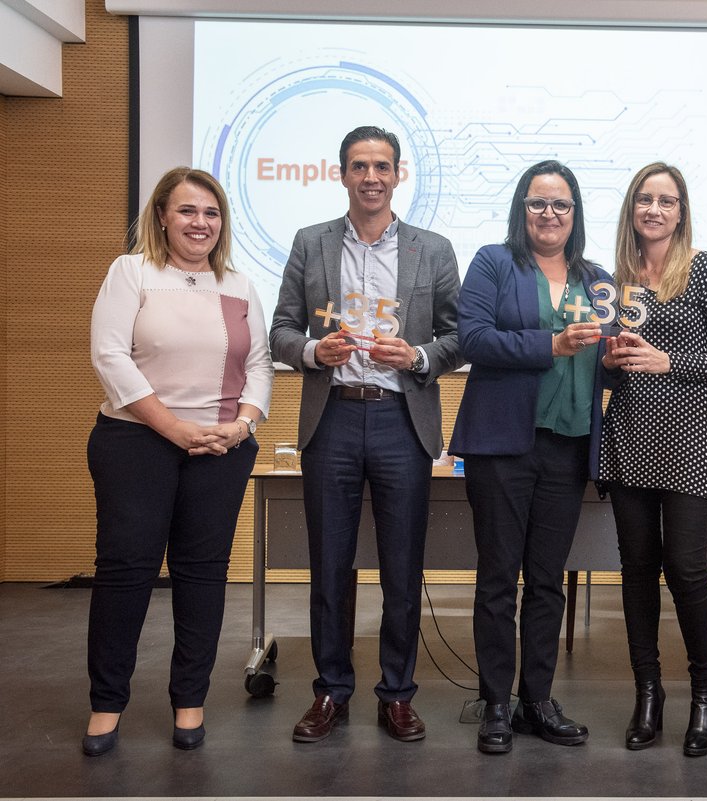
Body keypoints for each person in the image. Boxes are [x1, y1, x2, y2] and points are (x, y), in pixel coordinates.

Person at [270, 125, 462, 744]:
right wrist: (312, 352)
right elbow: (281, 329)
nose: (371, 177)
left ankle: (397, 694)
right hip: (332, 416)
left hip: (401, 419)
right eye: (359, 166)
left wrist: (418, 356)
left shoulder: (433, 249)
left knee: (402, 568)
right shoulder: (311, 242)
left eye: (382, 166)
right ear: (343, 174)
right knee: (330, 564)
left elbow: (459, 336)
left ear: (398, 174)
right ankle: (330, 689)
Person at [84, 167, 273, 756]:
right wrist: (172, 428)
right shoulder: (131, 272)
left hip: (221, 449)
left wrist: (242, 426)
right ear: (162, 216)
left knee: (203, 574)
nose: (200, 222)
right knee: (126, 571)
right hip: (135, 442)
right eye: (188, 210)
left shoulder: (240, 284)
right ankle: (106, 705)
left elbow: (260, 365)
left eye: (211, 213)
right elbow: (109, 355)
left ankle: (190, 701)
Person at [449, 160, 609, 755]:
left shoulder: (597, 279)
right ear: (522, 209)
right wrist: (551, 344)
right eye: (538, 203)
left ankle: (537, 700)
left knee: (547, 581)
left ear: (575, 213)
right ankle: (496, 702)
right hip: (502, 446)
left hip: (568, 446)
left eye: (561, 204)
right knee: (498, 579)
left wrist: (616, 357)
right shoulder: (494, 262)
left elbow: (605, 361)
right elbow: (473, 338)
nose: (549, 214)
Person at [599, 162, 707, 757]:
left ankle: (706, 694)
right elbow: (606, 370)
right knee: (636, 569)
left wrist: (668, 362)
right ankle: (648, 693)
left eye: (666, 200)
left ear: (681, 211)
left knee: (686, 569)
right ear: (631, 208)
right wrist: (607, 363)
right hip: (629, 435)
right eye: (645, 199)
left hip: (691, 442)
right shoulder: (613, 280)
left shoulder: (706, 269)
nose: (654, 210)